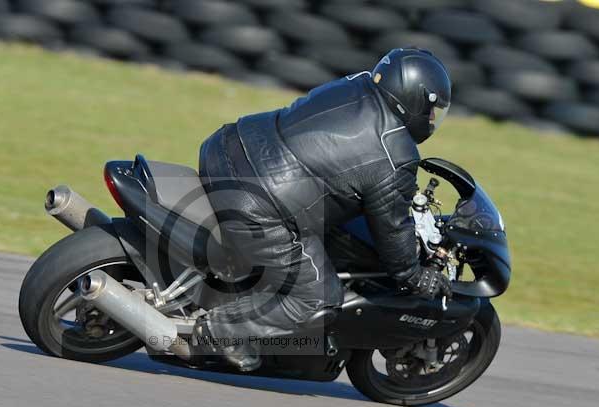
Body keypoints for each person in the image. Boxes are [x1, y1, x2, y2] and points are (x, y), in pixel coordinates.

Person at [194, 48, 453, 371]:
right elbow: (392, 229)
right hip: (257, 203)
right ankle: (223, 330)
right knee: (319, 297)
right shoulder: (396, 155)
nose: (431, 120)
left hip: (227, 145)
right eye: (431, 111)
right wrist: (414, 276)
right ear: (413, 101)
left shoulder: (355, 84)